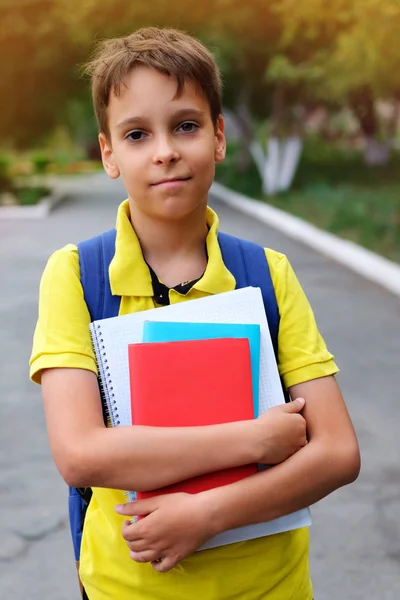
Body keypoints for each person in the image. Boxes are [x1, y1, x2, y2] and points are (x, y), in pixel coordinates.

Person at [29, 27, 360, 600]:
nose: (165, 150)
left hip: (271, 587)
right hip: (126, 588)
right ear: (108, 153)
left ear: (219, 136)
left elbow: (337, 452)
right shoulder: (77, 276)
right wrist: (255, 440)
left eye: (186, 125)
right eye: (137, 134)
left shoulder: (267, 273)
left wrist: (206, 514)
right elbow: (81, 453)